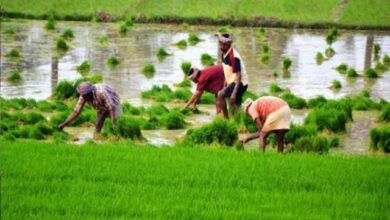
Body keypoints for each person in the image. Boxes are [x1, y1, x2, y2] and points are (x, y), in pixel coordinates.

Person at [217, 33, 249, 118]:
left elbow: (239, 76)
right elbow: (227, 71)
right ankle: (239, 121)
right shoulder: (223, 54)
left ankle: (226, 120)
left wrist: (234, 93)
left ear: (228, 45)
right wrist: (225, 85)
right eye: (220, 44)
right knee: (234, 107)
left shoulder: (234, 57)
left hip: (241, 83)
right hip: (233, 81)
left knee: (220, 95)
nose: (221, 46)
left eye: (223, 45)